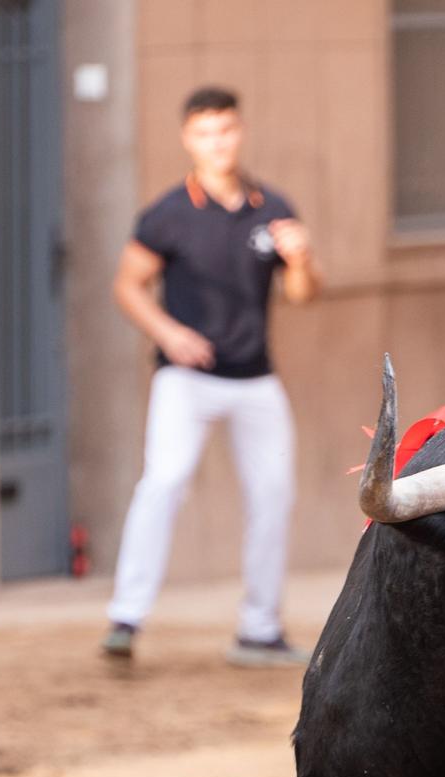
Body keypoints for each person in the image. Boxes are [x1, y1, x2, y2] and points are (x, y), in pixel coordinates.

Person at [101, 86, 321, 666]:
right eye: (204, 133)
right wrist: (167, 332)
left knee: (274, 494)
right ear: (187, 139)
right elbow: (127, 284)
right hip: (185, 378)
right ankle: (125, 617)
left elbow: (302, 296)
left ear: (240, 130)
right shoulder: (168, 214)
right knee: (164, 481)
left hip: (255, 377)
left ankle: (259, 630)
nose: (216, 142)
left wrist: (301, 260)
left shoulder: (272, 206)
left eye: (225, 130)